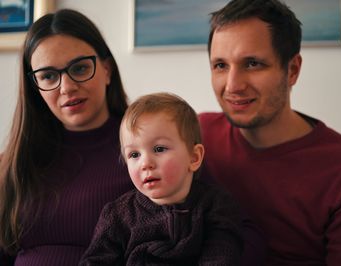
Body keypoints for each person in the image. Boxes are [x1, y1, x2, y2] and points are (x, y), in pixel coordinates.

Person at [199, 0, 341, 265]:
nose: (233, 85)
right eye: (220, 65)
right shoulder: (196, 138)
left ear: (293, 70)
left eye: (252, 63)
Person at [0, 9, 134, 266]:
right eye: (49, 76)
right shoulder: (18, 162)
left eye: (80, 68)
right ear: (34, 87)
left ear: (107, 70)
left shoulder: (152, 150)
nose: (67, 87)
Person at [79, 92, 243, 265]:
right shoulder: (118, 216)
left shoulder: (215, 205)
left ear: (194, 157)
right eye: (134, 154)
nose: (145, 163)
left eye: (159, 149)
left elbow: (222, 253)